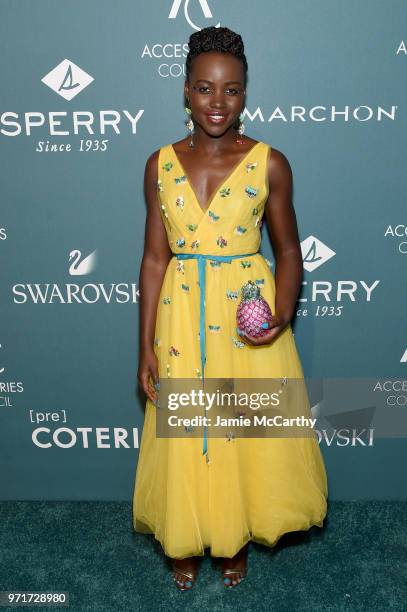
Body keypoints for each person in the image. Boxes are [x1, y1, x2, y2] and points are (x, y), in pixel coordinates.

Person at [133, 26, 328, 590]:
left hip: (246, 316)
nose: (218, 103)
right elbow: (151, 260)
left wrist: (281, 312)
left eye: (232, 90)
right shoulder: (159, 164)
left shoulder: (270, 163)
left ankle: (235, 534)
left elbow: (290, 251)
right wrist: (144, 343)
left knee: (241, 428)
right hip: (180, 312)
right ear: (186, 92)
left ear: (246, 93)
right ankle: (188, 537)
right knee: (188, 427)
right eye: (205, 89)